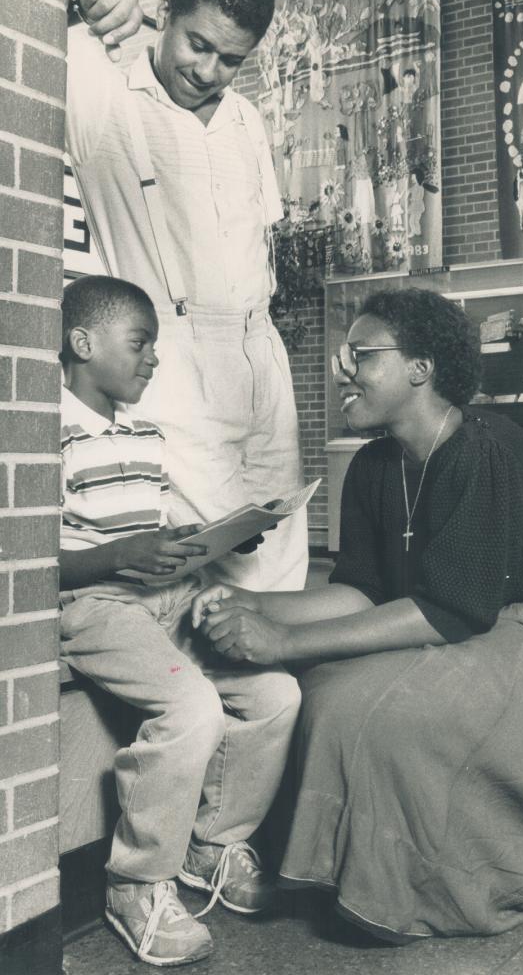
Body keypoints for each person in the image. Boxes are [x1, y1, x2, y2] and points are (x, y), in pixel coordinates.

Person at [191, 287, 523, 943]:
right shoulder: (372, 467)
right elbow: (361, 589)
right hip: (469, 619)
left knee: (373, 711)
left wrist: (279, 642)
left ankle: (400, 891)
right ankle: (345, 871)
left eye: (362, 353)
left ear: (422, 369)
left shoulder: (484, 448)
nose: (342, 369)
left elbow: (449, 609)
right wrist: (254, 604)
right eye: (342, 354)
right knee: (328, 686)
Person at [59, 275, 301, 966]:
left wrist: (218, 536)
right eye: (140, 343)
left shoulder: (141, 433)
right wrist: (117, 555)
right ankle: (135, 884)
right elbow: (28, 561)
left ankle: (212, 843)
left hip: (165, 595)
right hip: (97, 606)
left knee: (273, 693)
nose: (153, 358)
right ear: (83, 342)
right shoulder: (43, 430)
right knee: (192, 707)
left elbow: (150, 530)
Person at [65, 0, 307, 591]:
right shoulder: (104, 99)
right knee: (221, 565)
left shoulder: (248, 122)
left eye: (231, 59)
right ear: (166, 12)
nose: (207, 70)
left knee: (282, 558)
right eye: (197, 44)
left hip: (260, 356)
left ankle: (282, 689)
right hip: (176, 362)